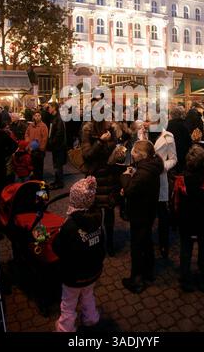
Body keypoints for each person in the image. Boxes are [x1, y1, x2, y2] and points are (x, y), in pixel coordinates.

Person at [53, 176, 105, 333]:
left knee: (68, 303)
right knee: (88, 295)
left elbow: (58, 248)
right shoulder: (97, 220)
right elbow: (102, 247)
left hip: (73, 276)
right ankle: (91, 318)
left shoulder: (69, 226)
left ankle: (65, 328)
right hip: (93, 272)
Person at [173, 146, 204, 293]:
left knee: (185, 251)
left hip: (185, 222)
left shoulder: (179, 180)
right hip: (203, 222)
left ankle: (185, 280)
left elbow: (175, 201)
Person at [120, 140, 163, 293]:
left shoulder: (144, 172)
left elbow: (130, 189)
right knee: (146, 241)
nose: (132, 153)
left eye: (135, 151)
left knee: (137, 245)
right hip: (149, 210)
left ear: (142, 155)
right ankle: (149, 272)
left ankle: (136, 280)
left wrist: (126, 177)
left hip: (140, 212)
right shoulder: (152, 166)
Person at [81, 120, 123, 256]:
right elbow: (87, 154)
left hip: (109, 176)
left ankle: (109, 244)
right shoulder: (87, 129)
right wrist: (100, 141)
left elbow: (113, 148)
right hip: (94, 177)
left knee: (109, 212)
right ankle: (97, 243)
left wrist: (105, 145)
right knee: (95, 213)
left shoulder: (111, 127)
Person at [154, 129, 177, 259]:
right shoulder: (140, 132)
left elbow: (173, 159)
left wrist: (162, 166)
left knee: (163, 214)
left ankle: (164, 244)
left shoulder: (168, 136)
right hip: (144, 179)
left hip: (160, 179)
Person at [167, 106, 192, 173]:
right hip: (182, 152)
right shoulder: (184, 124)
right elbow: (188, 140)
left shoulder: (168, 125)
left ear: (171, 115)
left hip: (170, 151)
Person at [48, 103, 67, 189]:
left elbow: (59, 133)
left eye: (50, 107)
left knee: (58, 165)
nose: (48, 109)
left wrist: (52, 142)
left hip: (58, 146)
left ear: (54, 108)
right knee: (56, 164)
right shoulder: (55, 118)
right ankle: (57, 181)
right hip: (56, 146)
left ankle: (59, 183)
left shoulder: (58, 118)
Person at [25, 111, 48, 180]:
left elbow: (45, 138)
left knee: (39, 168)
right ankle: (35, 181)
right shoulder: (31, 125)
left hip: (39, 151)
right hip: (31, 149)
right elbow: (27, 134)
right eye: (36, 115)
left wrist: (41, 148)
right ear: (33, 117)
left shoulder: (43, 126)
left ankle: (40, 183)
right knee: (33, 167)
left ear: (41, 117)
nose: (37, 117)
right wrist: (28, 144)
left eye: (39, 115)